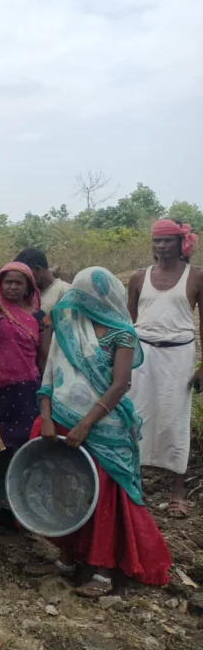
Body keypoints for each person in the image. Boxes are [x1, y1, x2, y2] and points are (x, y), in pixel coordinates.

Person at [30, 267, 171, 596]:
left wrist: (86, 423)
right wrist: (47, 416)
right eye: (77, 295)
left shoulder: (122, 333)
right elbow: (49, 374)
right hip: (62, 422)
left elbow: (120, 385)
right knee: (66, 490)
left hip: (103, 429)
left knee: (101, 496)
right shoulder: (67, 326)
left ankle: (102, 569)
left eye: (87, 295)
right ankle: (66, 558)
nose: (80, 301)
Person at [127, 219, 203, 519]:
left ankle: (177, 490)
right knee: (136, 415)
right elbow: (127, 322)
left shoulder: (195, 277)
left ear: (181, 243)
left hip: (179, 355)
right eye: (157, 241)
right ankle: (134, 485)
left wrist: (202, 364)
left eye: (168, 241)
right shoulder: (138, 277)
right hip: (142, 355)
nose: (161, 246)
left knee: (175, 417)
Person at [0, 262, 49, 521]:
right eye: (8, 281)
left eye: (19, 282)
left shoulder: (40, 317)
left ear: (28, 286)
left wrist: (46, 392)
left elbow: (43, 357)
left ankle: (17, 507)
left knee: (24, 445)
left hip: (28, 389)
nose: (12, 287)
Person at [15, 248, 70, 316]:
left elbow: (68, 324)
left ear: (38, 269)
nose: (24, 279)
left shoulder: (65, 291)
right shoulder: (27, 294)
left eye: (26, 274)